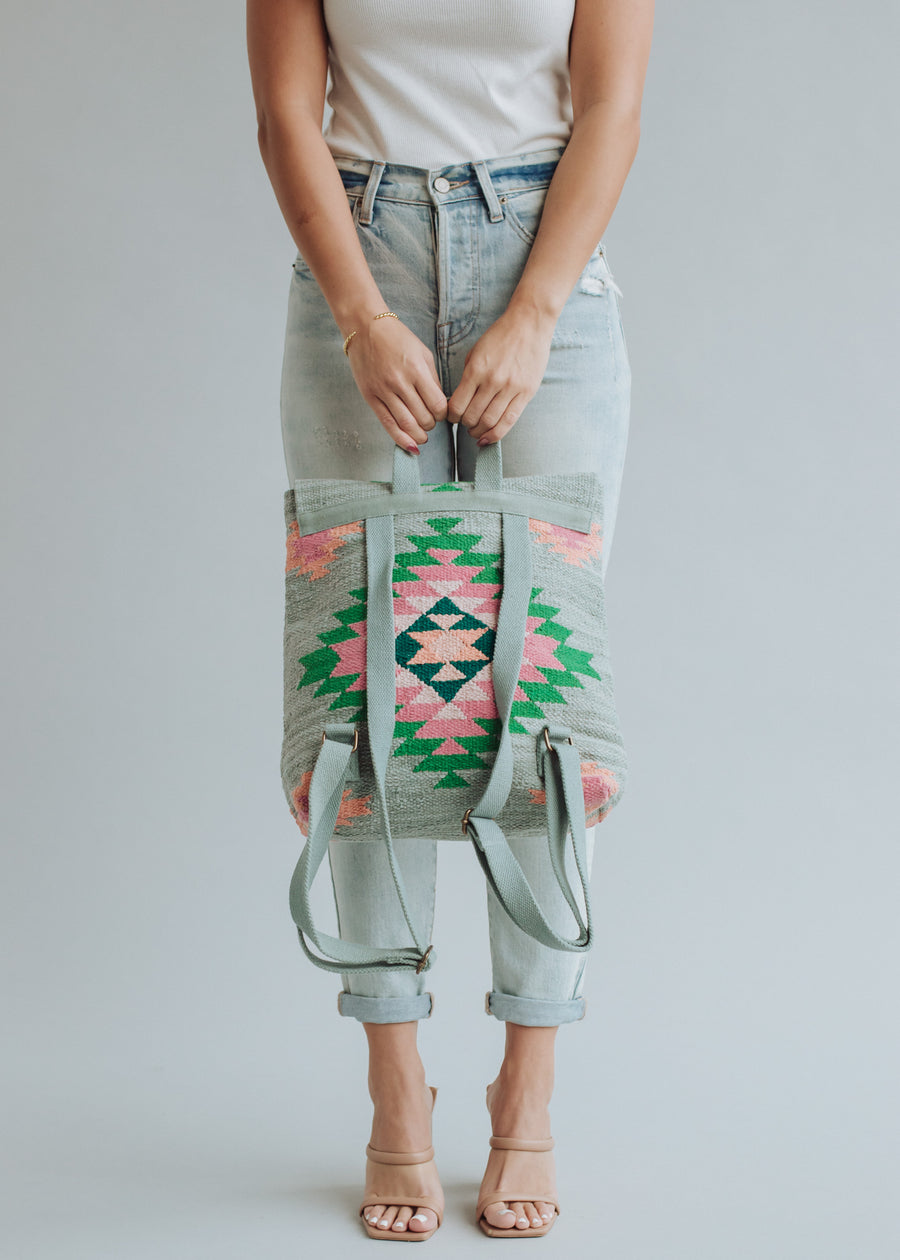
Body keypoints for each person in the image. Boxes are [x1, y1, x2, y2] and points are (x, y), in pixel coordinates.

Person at [247, 0, 654, 1240]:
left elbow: (612, 105)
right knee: (363, 708)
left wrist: (533, 312)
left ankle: (527, 1084)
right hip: (354, 257)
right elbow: (286, 112)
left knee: (544, 717)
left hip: (548, 261)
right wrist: (362, 316)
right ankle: (395, 1093)